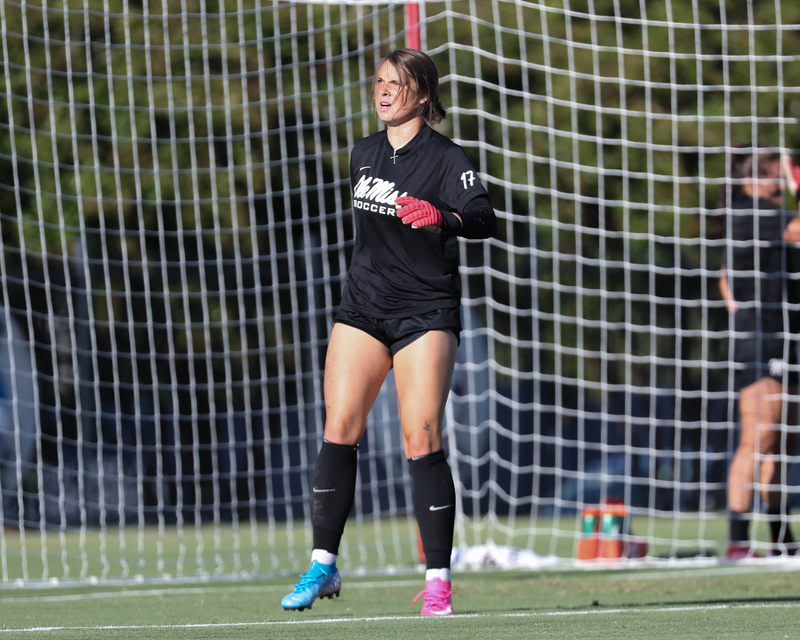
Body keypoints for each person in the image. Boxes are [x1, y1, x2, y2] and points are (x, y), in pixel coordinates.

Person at [280, 48, 497, 615]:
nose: (382, 91)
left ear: (422, 95)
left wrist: (444, 217)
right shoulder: (363, 153)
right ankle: (323, 566)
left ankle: (438, 583)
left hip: (425, 312)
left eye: (395, 84)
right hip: (363, 307)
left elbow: (483, 217)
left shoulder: (447, 158)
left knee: (420, 438)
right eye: (379, 81)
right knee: (339, 429)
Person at [717, 143, 800, 559]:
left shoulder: (767, 215)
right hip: (761, 338)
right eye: (776, 179)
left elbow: (724, 276)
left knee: (783, 442)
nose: (780, 187)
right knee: (758, 437)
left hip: (787, 336)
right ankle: (738, 541)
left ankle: (780, 538)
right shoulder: (751, 211)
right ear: (753, 179)